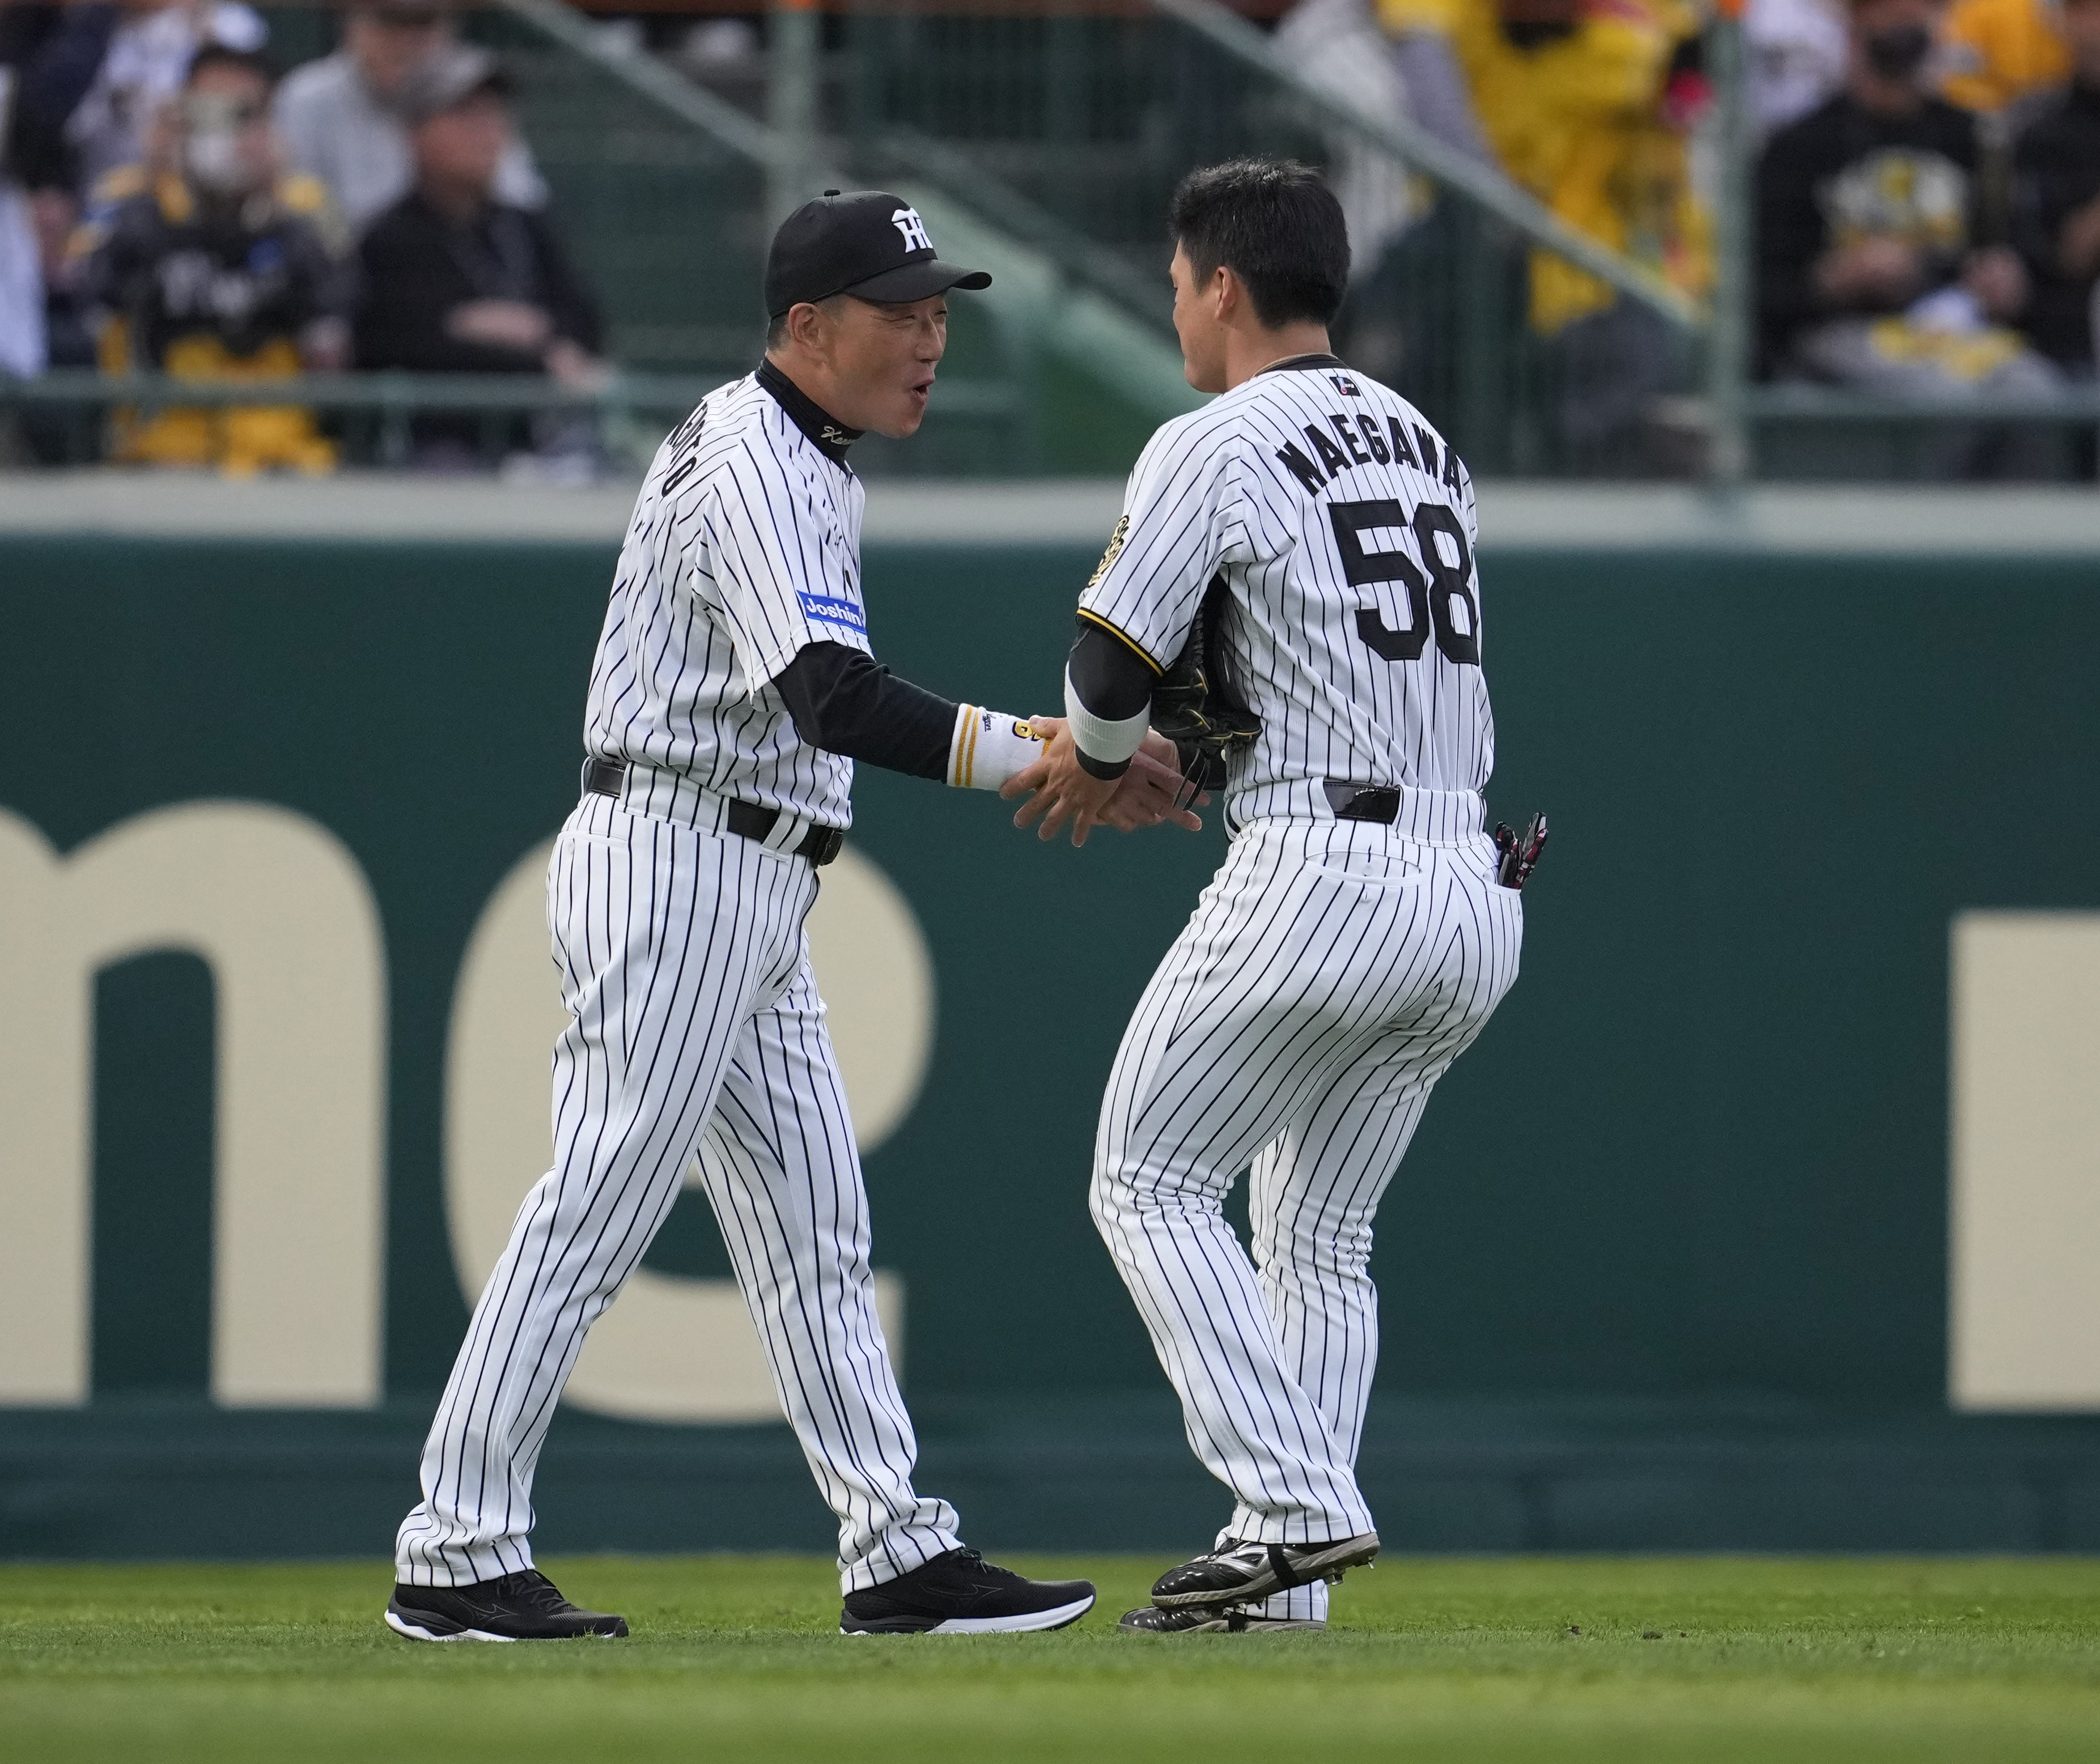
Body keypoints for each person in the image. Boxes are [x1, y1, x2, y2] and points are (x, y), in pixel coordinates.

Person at [385, 188, 1198, 1644]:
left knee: (815, 1229)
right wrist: (1055, 751)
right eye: (903, 312)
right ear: (809, 328)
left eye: (942, 310)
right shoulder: (759, 458)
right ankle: (453, 1543)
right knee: (595, 1204)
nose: (932, 338)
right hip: (681, 855)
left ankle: (894, 1547)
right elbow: (834, 698)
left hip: (747, 869)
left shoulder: (800, 450)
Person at [1004, 160, 1524, 1634]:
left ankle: (1297, 1501)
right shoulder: (1428, 441)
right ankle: (1278, 1582)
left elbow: (1107, 671)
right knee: (1319, 1233)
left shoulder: (1213, 439)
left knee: (1149, 1177)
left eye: (1177, 282)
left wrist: (1104, 763)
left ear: (1221, 285)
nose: (1173, 307)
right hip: (1470, 884)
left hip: (1322, 869)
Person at [1369, 0, 1711, 471]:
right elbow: (1419, 50)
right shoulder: (1455, 31)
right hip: (1474, 277)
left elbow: (1667, 194)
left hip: (1588, 287)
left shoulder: (1628, 54)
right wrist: (1495, 203)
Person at [1757, 0, 2061, 471]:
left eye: (1923, 11)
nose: (1909, 21)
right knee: (1939, 396)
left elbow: (2016, 255)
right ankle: (1922, 541)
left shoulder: (1972, 138)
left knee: (2036, 392)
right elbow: (1759, 292)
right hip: (1842, 330)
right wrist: (1831, 279)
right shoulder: (1798, 145)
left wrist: (2005, 280)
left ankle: (2024, 541)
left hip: (1954, 327)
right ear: (1856, 22)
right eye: (1891, 10)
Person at [75, 41, 350, 473]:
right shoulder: (131, 196)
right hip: (159, 449)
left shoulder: (304, 205)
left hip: (280, 452)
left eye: (240, 115)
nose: (221, 132)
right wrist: (165, 187)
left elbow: (337, 329)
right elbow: (88, 300)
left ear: (268, 123)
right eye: (206, 112)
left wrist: (264, 210)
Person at [353, 45, 597, 467]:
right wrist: (537, 350)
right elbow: (403, 343)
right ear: (415, 132)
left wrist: (512, 327)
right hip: (432, 452)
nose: (487, 130)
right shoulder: (387, 237)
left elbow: (587, 322)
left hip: (541, 443)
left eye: (494, 113)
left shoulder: (523, 224)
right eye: (465, 114)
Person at [273, 2, 542, 237]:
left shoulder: (472, 94)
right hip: (354, 278)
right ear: (353, 22)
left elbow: (522, 205)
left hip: (459, 268)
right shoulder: (308, 97)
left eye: (424, 23)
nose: (408, 40)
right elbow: (298, 215)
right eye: (391, 21)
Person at [2013, 0, 2100, 373]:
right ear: (2064, 22)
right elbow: (2068, 257)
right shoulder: (2041, 127)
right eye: (2087, 11)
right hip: (2072, 336)